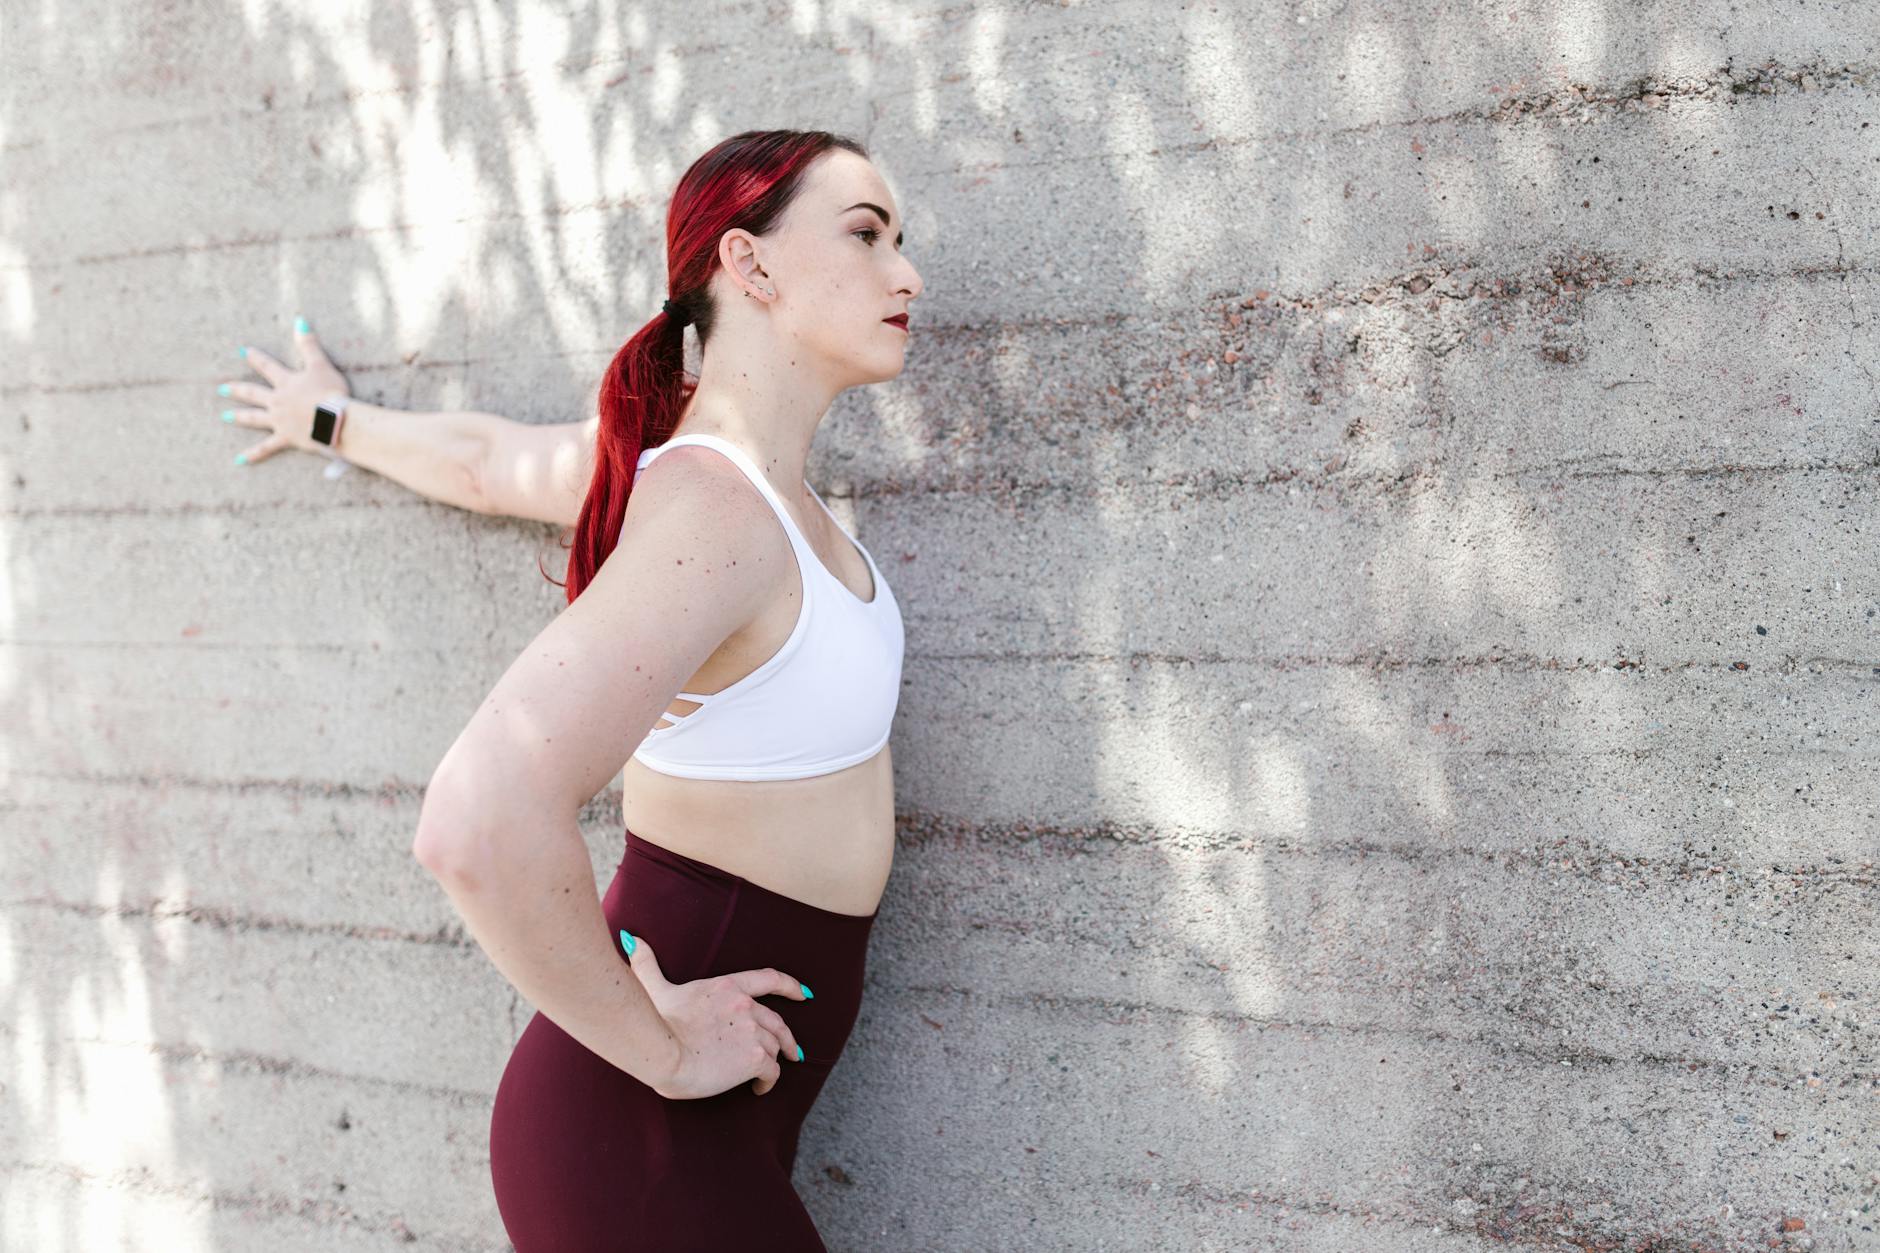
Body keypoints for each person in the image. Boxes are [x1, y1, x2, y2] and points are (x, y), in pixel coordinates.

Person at [216, 128, 923, 1251]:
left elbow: (486, 463)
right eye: (865, 233)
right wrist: (664, 1048)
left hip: (716, 1117)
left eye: (900, 240)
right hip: (644, 1127)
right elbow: (476, 818)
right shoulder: (715, 513)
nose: (906, 271)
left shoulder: (713, 484)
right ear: (749, 266)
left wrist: (333, 419)